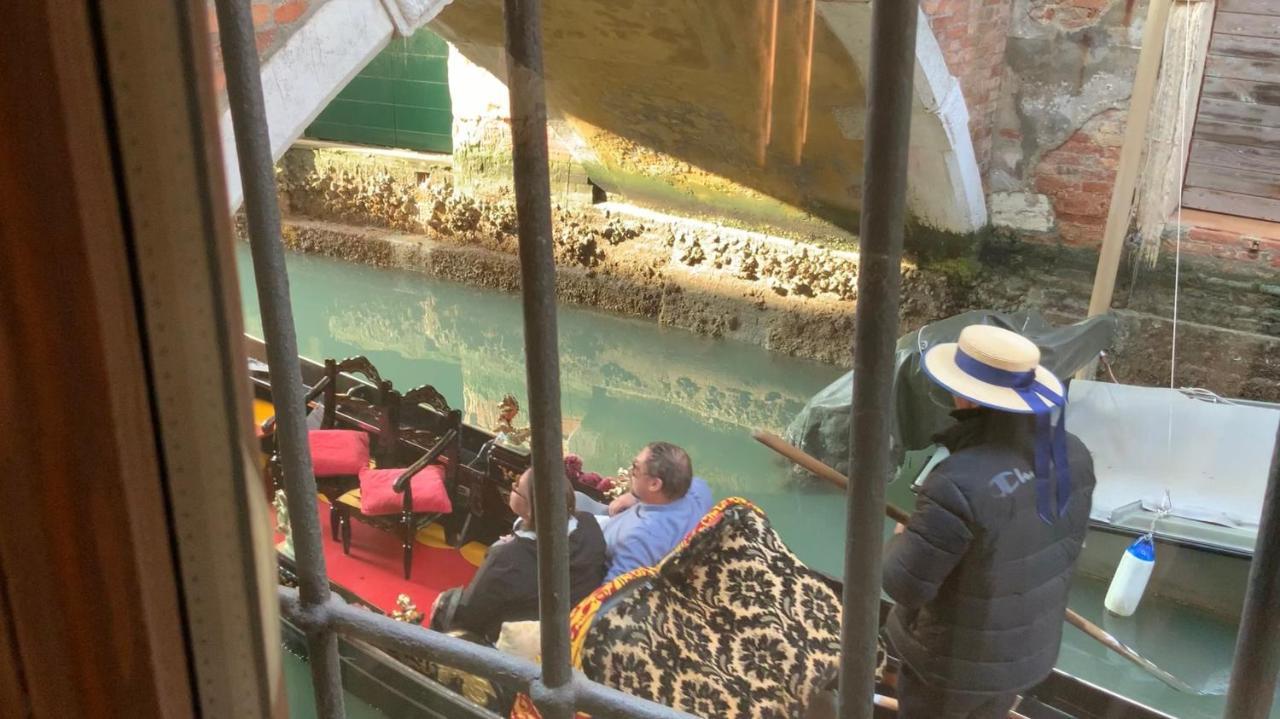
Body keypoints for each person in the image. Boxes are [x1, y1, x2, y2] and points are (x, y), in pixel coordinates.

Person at [882, 324, 1097, 719]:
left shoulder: (955, 481)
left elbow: (902, 584)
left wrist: (902, 536)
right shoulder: (1075, 455)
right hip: (1024, 658)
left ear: (963, 395)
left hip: (949, 668)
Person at [430, 466, 606, 644]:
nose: (512, 487)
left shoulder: (507, 558)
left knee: (446, 605)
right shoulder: (589, 525)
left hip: (511, 641)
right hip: (569, 630)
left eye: (516, 487)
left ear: (531, 511)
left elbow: (470, 614)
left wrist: (445, 603)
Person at [584, 441, 713, 582]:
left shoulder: (640, 539)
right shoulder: (699, 491)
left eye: (635, 468)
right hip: (615, 521)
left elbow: (612, 594)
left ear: (654, 484)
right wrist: (635, 496)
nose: (630, 472)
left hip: (590, 550)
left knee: (575, 500)